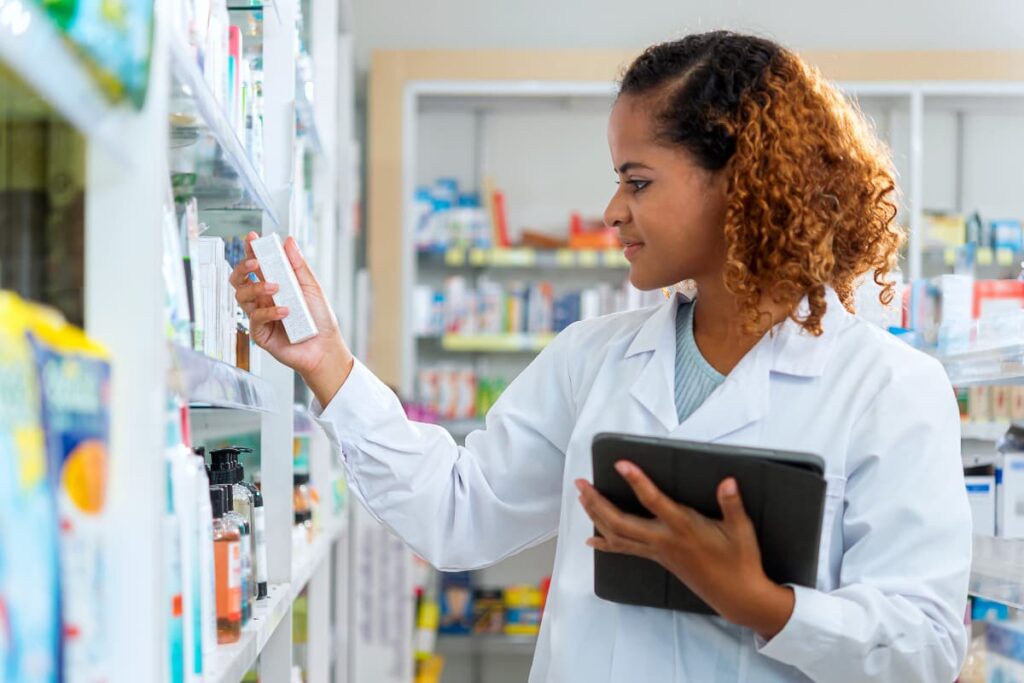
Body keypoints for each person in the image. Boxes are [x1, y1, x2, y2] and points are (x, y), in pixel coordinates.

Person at [231, 31, 970, 683]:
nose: (612, 211)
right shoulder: (595, 358)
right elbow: (457, 515)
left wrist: (763, 604)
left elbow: (927, 650)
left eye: (637, 180)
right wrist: (328, 365)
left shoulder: (889, 388)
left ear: (742, 181)